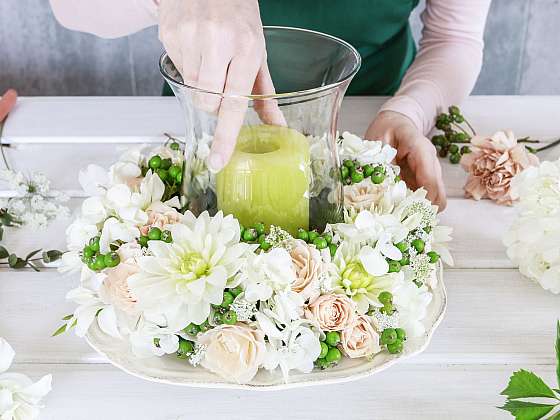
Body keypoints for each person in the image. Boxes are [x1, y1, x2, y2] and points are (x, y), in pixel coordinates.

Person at [49, 0, 491, 209]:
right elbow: (72, 8)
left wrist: (410, 110)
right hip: (208, 122)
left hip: (367, 123)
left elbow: (455, 37)